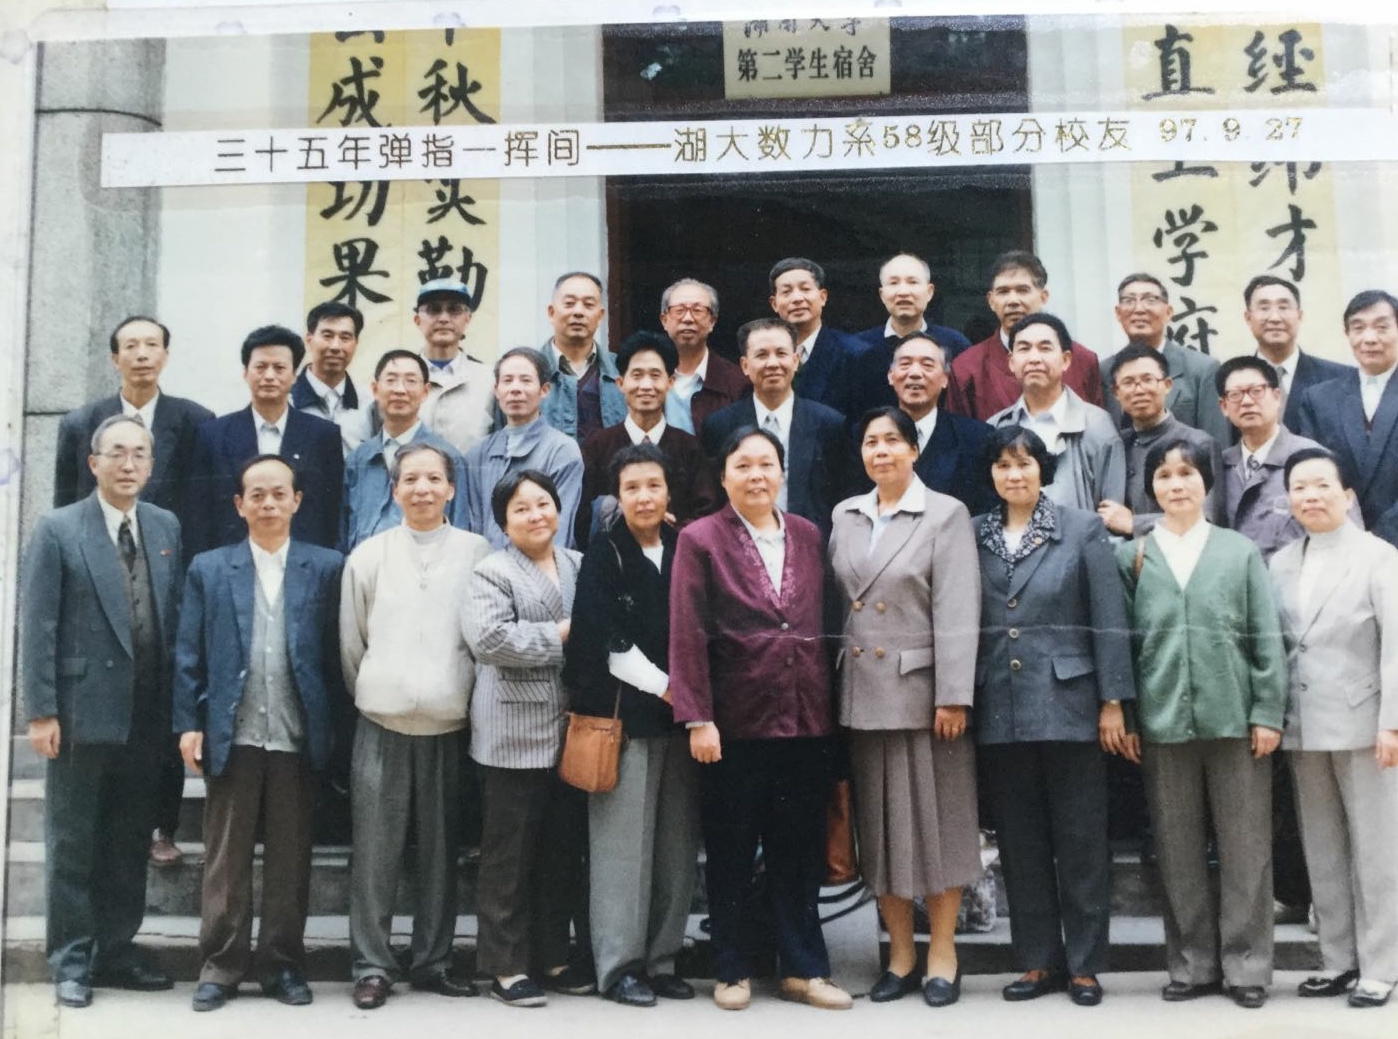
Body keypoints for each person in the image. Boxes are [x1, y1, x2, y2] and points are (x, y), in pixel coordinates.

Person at [669, 427, 852, 1012]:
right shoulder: (700, 538)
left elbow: (826, 623)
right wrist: (698, 717)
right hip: (734, 723)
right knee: (730, 848)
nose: (756, 475)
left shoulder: (807, 533)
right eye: (743, 466)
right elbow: (688, 631)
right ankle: (732, 967)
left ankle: (803, 968)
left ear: (782, 473)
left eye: (766, 464)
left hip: (805, 719)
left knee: (798, 851)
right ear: (724, 478)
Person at [1116, 438, 1287, 1009]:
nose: (1176, 484)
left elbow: (1265, 636)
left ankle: (1247, 967)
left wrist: (1267, 711)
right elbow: (1123, 647)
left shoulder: (1238, 552)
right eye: (1164, 475)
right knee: (1177, 848)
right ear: (1151, 487)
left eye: (1187, 473)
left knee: (1246, 848)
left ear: (1206, 482)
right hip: (1162, 720)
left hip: (1235, 719)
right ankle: (1192, 964)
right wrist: (1129, 714)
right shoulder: (1133, 556)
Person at [173, 454, 344, 1012]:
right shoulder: (209, 568)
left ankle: (282, 964)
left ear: (297, 500)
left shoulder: (326, 567)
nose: (268, 503)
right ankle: (220, 966)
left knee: (291, 857)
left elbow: (335, 656)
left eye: (279, 493)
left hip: (297, 733)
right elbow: (189, 653)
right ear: (239, 504)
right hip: (233, 730)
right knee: (226, 857)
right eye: (257, 495)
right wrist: (189, 723)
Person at [20, 415, 180, 1008]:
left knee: (128, 837)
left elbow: (169, 616)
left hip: (147, 713)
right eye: (117, 453)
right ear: (94, 464)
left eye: (140, 453)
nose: (129, 464)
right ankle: (71, 959)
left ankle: (115, 949)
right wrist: (42, 710)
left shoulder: (164, 525)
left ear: (151, 465)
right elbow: (38, 624)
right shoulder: (59, 529)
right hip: (81, 712)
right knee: (74, 841)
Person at [973, 424, 1135, 1007]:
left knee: (1081, 838)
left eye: (1024, 463)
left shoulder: (1081, 528)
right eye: (1003, 465)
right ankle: (1037, 960)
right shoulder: (974, 532)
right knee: (1021, 841)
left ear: (1043, 469)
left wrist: (1113, 702)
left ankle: (1086, 964)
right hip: (1001, 704)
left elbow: (1107, 618)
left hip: (1071, 702)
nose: (1014, 474)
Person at [828, 407, 982, 1008]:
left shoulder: (945, 513)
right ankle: (899, 954)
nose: (881, 451)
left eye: (893, 440)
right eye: (871, 442)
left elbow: (958, 608)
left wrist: (954, 695)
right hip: (862, 695)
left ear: (914, 450)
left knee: (939, 827)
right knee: (880, 832)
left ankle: (942, 952)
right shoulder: (845, 514)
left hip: (924, 697)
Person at [51, 314, 212, 868]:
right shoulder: (80, 423)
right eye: (130, 346)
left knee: (162, 699)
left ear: (166, 355)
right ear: (114, 357)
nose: (142, 354)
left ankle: (160, 825)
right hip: (98, 583)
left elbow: (204, 506)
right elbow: (65, 505)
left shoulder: (195, 422)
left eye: (152, 345)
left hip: (167, 575)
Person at [340, 443, 490, 1009]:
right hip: (382, 723)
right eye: (410, 479)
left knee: (440, 852)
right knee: (374, 853)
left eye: (433, 479)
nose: (422, 488)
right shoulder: (368, 556)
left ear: (451, 488)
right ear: (394, 489)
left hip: (449, 725)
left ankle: (434, 960)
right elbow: (351, 644)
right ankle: (372, 964)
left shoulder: (477, 553)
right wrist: (382, 691)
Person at [563, 444, 701, 1008]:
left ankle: (663, 959)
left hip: (683, 723)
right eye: (632, 488)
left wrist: (690, 699)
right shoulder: (605, 553)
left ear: (669, 492)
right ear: (616, 497)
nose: (644, 497)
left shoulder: (686, 547)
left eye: (653, 485)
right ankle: (619, 965)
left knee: (675, 847)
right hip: (626, 719)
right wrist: (670, 688)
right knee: (622, 851)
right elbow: (605, 640)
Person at [1270, 447, 1398, 1009]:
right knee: (1321, 849)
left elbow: (1396, 649)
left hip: (1365, 725)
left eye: (1322, 485)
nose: (1311, 496)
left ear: (1347, 496)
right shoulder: (1280, 563)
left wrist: (1393, 725)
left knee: (1377, 850)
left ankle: (1382, 966)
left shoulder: (1379, 558)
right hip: (1303, 726)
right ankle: (1338, 959)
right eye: (1299, 487)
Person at [465, 471, 592, 1007]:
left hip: (569, 729)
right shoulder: (491, 571)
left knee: (560, 851)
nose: (536, 515)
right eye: (521, 509)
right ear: (503, 522)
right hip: (511, 730)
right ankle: (505, 965)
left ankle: (552, 955)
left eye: (543, 503)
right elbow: (491, 640)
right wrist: (565, 634)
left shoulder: (578, 564)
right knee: (508, 854)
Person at [186, 325, 343, 556]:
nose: (269, 376)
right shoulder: (213, 435)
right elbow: (199, 514)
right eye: (260, 367)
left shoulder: (323, 435)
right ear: (245, 372)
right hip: (231, 562)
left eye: (279, 367)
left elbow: (333, 513)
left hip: (304, 563)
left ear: (294, 376)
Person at [700, 318, 852, 541]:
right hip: (739, 547)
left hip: (810, 547)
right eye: (761, 355)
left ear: (796, 360)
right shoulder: (720, 426)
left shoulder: (829, 423)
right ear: (744, 365)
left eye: (781, 353)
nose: (772, 363)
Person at [575, 330, 717, 547]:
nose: (646, 386)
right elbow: (582, 515)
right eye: (637, 375)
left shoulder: (689, 447)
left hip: (676, 557)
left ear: (670, 382)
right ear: (620, 383)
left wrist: (668, 533)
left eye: (655, 375)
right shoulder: (597, 446)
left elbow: (706, 513)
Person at [989, 313, 1126, 513]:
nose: (1034, 358)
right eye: (1024, 348)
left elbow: (1112, 512)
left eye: (1045, 348)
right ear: (1011, 362)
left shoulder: (1096, 425)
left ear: (1066, 360)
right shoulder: (997, 426)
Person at [1217, 356, 1349, 560]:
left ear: (1277, 396)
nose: (1247, 401)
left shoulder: (1314, 460)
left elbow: (1348, 540)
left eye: (1256, 391)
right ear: (1224, 406)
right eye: (1235, 395)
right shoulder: (1219, 466)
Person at [1294, 289, 1398, 545]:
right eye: (1358, 328)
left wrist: (1381, 537)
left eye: (1381, 327)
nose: (1369, 338)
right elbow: (1313, 473)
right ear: (1347, 334)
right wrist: (1349, 536)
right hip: (1340, 541)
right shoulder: (1318, 399)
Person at [340, 350, 470, 552]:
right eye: (391, 380)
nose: (400, 390)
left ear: (425, 392)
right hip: (365, 567)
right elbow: (343, 530)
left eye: (410, 381)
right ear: (375, 389)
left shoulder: (448, 457)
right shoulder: (358, 459)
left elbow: (460, 531)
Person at [949, 251, 1103, 420]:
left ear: (1043, 297)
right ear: (991, 301)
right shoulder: (967, 368)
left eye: (1023, 290)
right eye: (1003, 292)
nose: (1013, 301)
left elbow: (1096, 424)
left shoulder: (1082, 360)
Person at [1097, 342, 1223, 538]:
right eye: (1128, 382)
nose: (1139, 390)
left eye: (1148, 379)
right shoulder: (1115, 444)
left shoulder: (1199, 443)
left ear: (1167, 385)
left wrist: (1134, 524)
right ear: (1116, 392)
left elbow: (1206, 518)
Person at [463, 347, 584, 548]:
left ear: (544, 390)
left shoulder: (561, 450)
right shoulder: (477, 453)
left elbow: (558, 531)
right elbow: (472, 526)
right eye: (507, 380)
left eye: (526, 380)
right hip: (485, 564)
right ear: (496, 390)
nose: (515, 389)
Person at [1103, 273, 1231, 445]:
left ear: (1168, 312)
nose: (1139, 309)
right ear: (1118, 313)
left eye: (1150, 300)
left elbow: (1216, 444)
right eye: (1129, 300)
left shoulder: (1203, 369)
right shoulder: (1104, 371)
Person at [848, 253, 971, 416]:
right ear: (882, 294)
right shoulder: (857, 347)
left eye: (912, 282)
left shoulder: (955, 344)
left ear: (930, 292)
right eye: (893, 283)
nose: (903, 292)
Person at [885, 333, 995, 515]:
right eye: (905, 364)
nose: (915, 373)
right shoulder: (863, 435)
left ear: (945, 378)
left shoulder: (976, 438)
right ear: (891, 376)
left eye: (927, 365)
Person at [1241, 275, 1348, 432]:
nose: (1275, 318)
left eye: (1284, 307)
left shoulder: (1340, 378)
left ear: (1300, 315)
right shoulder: (1232, 383)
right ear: (1248, 318)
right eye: (1264, 308)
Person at [767, 256, 867, 416]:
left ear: (823, 297)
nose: (797, 298)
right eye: (786, 292)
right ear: (774, 304)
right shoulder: (765, 357)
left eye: (805, 289)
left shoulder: (854, 353)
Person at [539, 271, 626, 442]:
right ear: (551, 312)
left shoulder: (622, 370)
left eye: (588, 305)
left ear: (600, 316)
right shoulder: (528, 372)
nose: (578, 312)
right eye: (569, 303)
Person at [413, 278, 495, 454]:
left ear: (467, 319)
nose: (444, 318)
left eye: (454, 310)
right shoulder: (401, 379)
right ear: (417, 320)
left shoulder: (489, 380)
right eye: (433, 309)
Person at [659, 278, 749, 434]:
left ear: (712, 321)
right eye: (679, 310)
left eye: (697, 310)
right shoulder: (647, 380)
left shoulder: (737, 382)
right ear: (664, 320)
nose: (688, 319)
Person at [292, 300, 370, 455]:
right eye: (327, 336)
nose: (335, 346)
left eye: (345, 337)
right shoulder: (286, 400)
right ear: (309, 339)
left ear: (356, 343)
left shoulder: (369, 404)